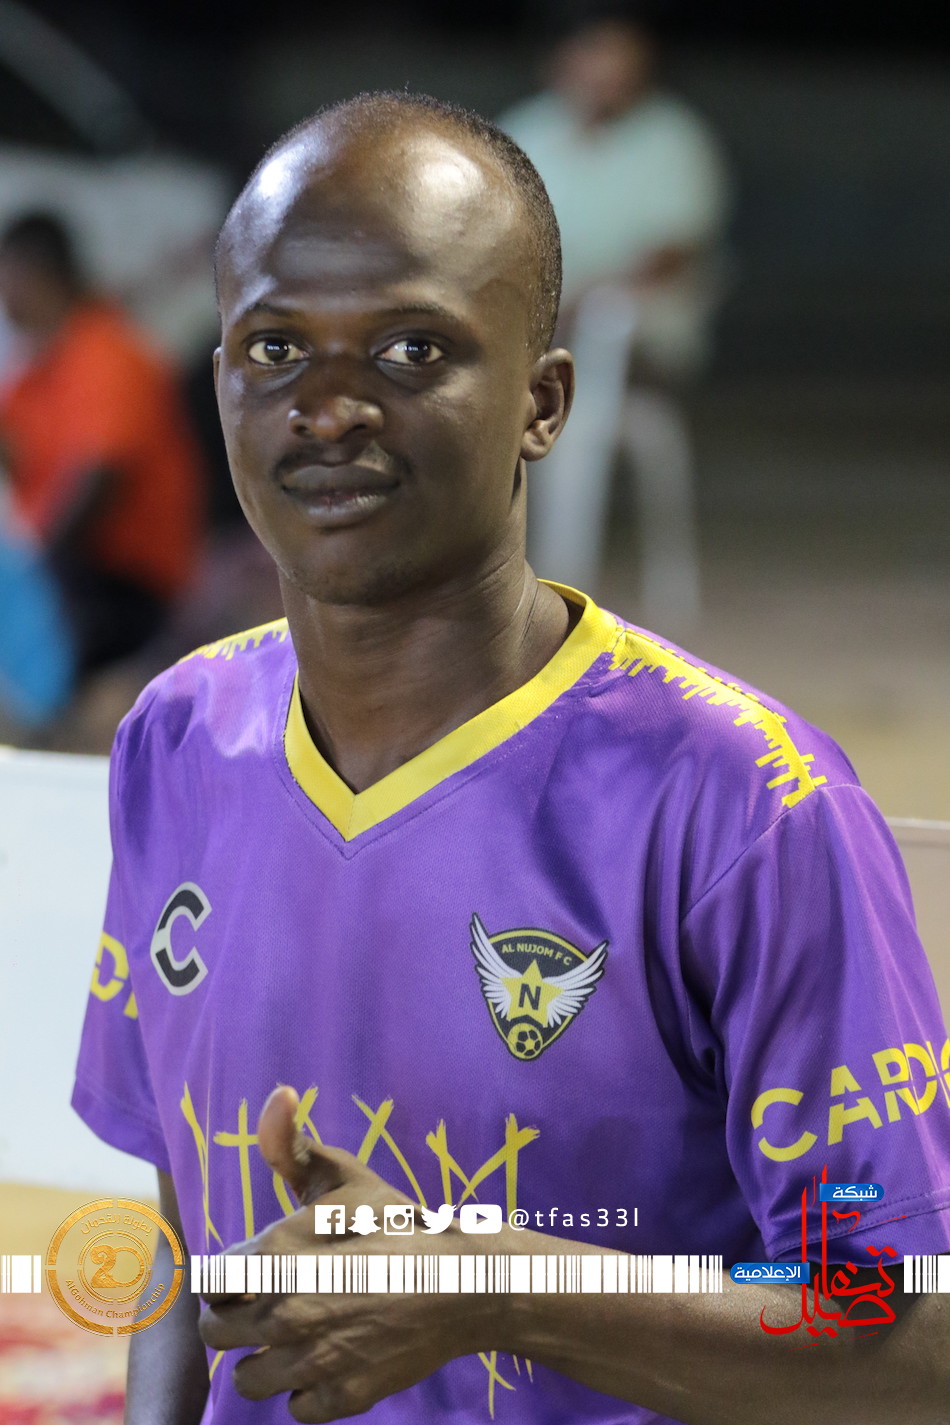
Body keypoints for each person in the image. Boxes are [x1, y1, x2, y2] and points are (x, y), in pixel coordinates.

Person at [70, 94, 950, 1425]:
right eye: (275, 348)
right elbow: (189, 1233)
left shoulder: (742, 805)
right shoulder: (180, 737)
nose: (327, 408)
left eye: (411, 349)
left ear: (541, 403)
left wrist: (495, 1288)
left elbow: (908, 1334)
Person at [499, 12, 731, 614]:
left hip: (637, 344)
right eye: (594, 55)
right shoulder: (525, 131)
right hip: (534, 329)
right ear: (561, 62)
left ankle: (557, 580)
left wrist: (584, 298)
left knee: (591, 331)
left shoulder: (672, 138)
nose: (608, 73)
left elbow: (675, 249)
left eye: (622, 59)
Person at [0, 212, 204, 681]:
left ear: (31, 272)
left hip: (122, 587)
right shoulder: (42, 366)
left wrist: (34, 577)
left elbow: (102, 477)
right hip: (78, 577)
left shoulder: (105, 353)